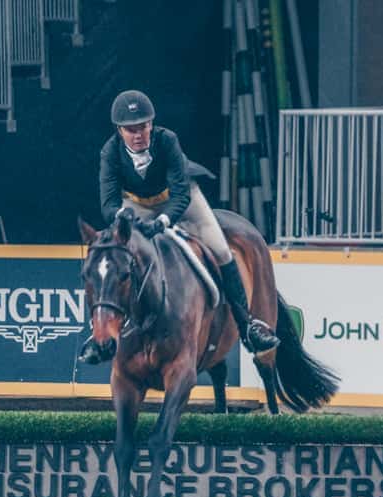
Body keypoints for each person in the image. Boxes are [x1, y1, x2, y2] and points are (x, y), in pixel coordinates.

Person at [78, 89, 280, 365]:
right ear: (119, 130)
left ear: (152, 125)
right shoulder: (109, 152)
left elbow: (181, 194)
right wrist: (125, 215)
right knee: (114, 258)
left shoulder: (167, 141)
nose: (138, 135)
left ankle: (247, 326)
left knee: (221, 250)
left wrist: (163, 221)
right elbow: (109, 204)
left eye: (143, 127)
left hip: (180, 200)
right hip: (136, 204)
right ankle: (100, 334)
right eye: (130, 130)